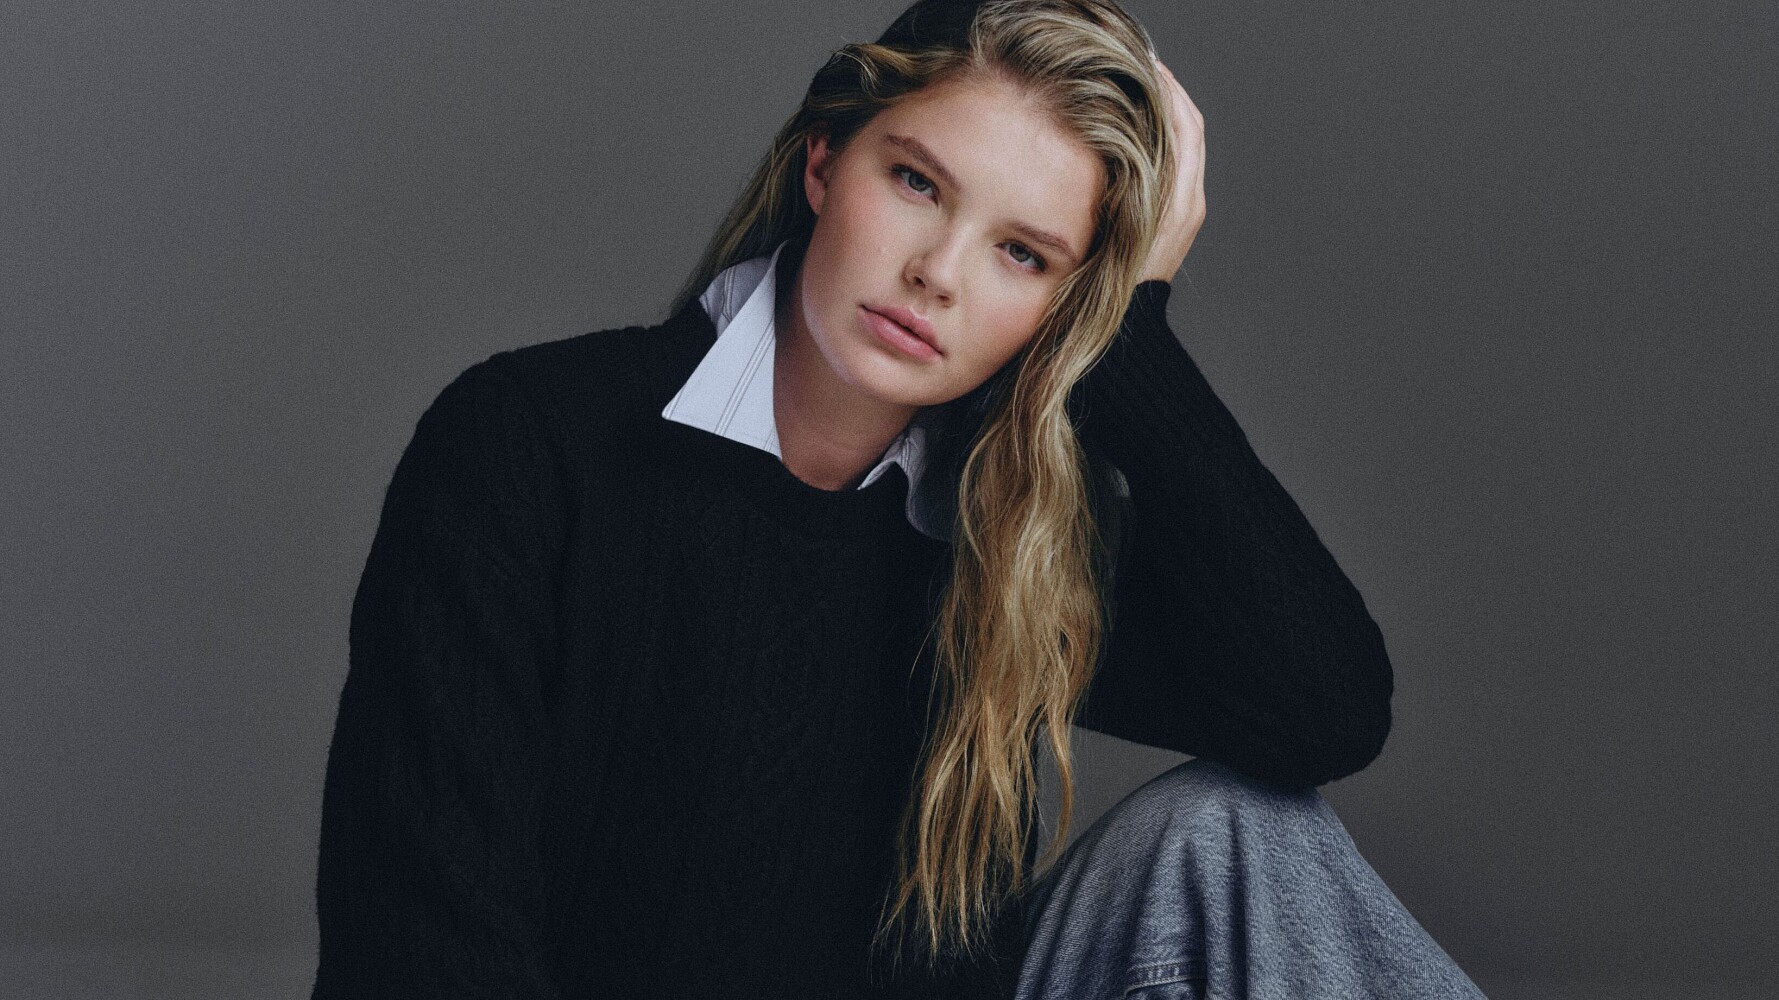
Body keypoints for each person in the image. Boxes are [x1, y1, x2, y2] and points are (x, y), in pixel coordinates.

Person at [308, 1, 1487, 997]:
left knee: (1236, 837)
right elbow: (420, 947)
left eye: (1023, 254)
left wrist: (1129, 336)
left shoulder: (998, 531)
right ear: (824, 161)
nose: (938, 273)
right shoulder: (532, 445)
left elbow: (1325, 707)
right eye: (917, 182)